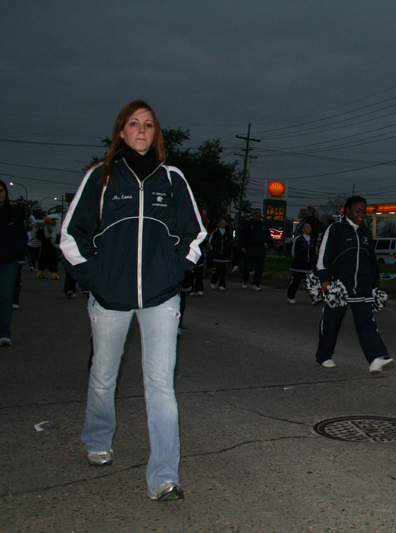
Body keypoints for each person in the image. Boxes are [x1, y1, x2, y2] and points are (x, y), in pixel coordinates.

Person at [61, 100, 207, 501]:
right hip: (110, 297)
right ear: (121, 131)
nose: (141, 130)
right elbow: (72, 237)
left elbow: (194, 234)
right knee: (104, 374)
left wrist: (177, 272)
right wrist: (98, 281)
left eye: (148, 125)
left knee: (160, 383)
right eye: (133, 124)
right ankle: (97, 438)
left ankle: (164, 474)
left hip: (161, 297)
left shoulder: (173, 179)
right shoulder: (102, 177)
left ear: (156, 133)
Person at [315, 196, 393, 373]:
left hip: (363, 286)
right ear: (347, 210)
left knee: (367, 322)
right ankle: (324, 355)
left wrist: (375, 281)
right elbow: (324, 256)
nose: (361, 214)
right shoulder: (335, 229)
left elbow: (371, 259)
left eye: (364, 211)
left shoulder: (365, 233)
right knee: (331, 322)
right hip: (339, 286)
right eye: (357, 211)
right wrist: (325, 279)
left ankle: (376, 358)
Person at [0, 180, 28, 346]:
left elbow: (22, 236)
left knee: (5, 297)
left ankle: (4, 334)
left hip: (8, 261)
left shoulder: (13, 213)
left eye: (1, 190)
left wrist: (17, 250)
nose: (0, 194)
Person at [238, 208, 275, 291]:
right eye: (256, 213)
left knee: (260, 267)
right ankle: (245, 280)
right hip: (250, 247)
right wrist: (242, 246)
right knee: (248, 265)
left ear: (261, 215)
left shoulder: (264, 225)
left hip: (260, 248)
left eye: (259, 213)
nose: (257, 215)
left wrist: (271, 247)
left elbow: (268, 237)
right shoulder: (248, 224)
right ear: (253, 214)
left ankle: (256, 283)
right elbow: (243, 236)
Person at [287, 221, 316, 303]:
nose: (309, 228)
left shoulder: (313, 240)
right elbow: (293, 251)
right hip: (298, 265)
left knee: (311, 282)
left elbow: (313, 252)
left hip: (309, 265)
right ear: (303, 229)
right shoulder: (298, 239)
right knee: (296, 281)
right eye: (307, 227)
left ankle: (314, 298)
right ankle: (291, 296)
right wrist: (298, 258)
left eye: (309, 227)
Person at [208, 218, 232, 291]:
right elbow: (210, 242)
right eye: (221, 223)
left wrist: (228, 251)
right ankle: (213, 281)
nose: (223, 224)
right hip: (217, 254)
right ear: (218, 224)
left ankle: (222, 284)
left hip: (225, 255)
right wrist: (214, 250)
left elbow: (229, 243)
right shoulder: (215, 233)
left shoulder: (227, 233)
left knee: (223, 270)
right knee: (218, 269)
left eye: (224, 223)